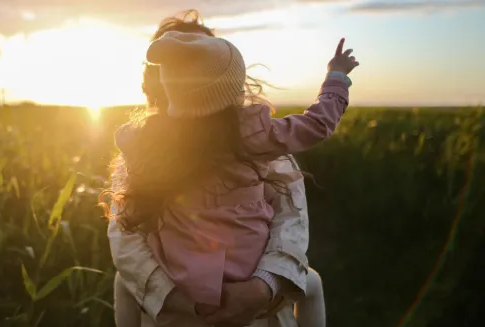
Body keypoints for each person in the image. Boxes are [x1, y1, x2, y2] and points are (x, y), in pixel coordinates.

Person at [104, 10, 356, 327]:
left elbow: (291, 216)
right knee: (313, 283)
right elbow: (317, 125)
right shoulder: (257, 136)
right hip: (230, 285)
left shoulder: (146, 144)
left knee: (122, 284)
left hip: (193, 286)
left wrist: (260, 286)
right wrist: (337, 78)